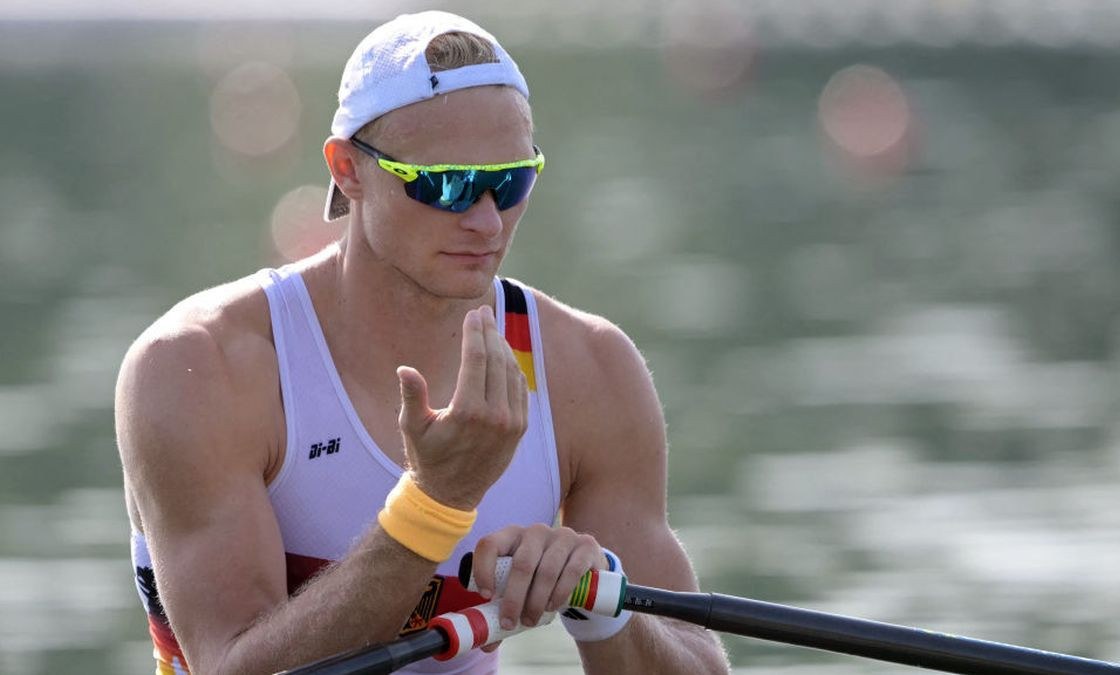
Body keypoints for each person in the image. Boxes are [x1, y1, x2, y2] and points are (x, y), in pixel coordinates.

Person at [116, 10, 729, 675]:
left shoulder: (590, 370)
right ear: (347, 170)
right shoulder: (201, 368)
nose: (487, 219)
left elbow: (695, 662)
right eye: (448, 184)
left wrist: (607, 606)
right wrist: (434, 506)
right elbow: (233, 666)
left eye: (511, 179)